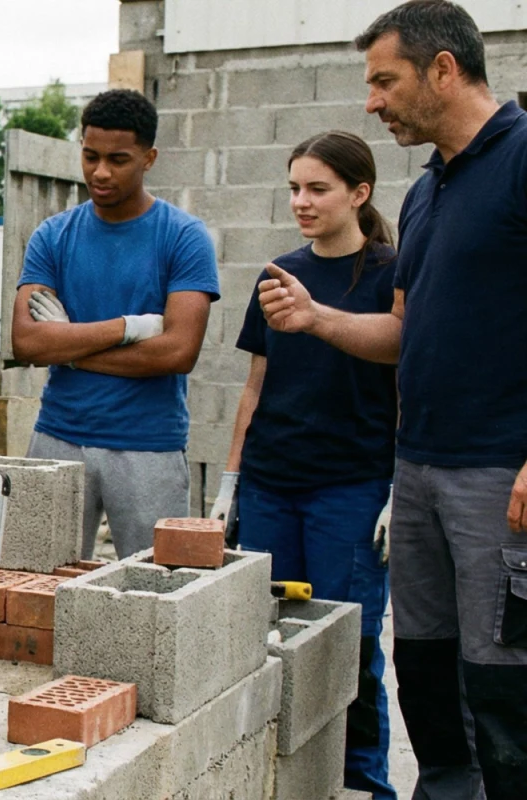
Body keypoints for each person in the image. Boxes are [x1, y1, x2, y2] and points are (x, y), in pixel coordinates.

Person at [261, 3, 527, 795]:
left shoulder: (522, 159)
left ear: (443, 69)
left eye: (385, 80)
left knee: (504, 682)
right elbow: (404, 333)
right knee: (426, 670)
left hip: (499, 475)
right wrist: (317, 319)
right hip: (417, 471)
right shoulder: (427, 190)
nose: (371, 101)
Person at [213, 131, 398, 799]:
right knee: (269, 640)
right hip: (271, 485)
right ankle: (283, 781)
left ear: (359, 193)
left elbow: (409, 382)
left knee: (349, 648)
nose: (302, 201)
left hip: (350, 489)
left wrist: (399, 484)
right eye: (294, 188)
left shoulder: (390, 275)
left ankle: (364, 785)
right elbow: (256, 384)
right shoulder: (277, 274)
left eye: (318, 188)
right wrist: (231, 482)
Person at [9, 89, 219, 561]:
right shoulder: (52, 235)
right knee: (39, 583)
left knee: (155, 588)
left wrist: (70, 347)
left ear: (149, 158)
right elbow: (28, 342)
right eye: (91, 156)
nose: (100, 172)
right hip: (58, 438)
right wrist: (130, 327)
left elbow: (177, 352)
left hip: (148, 447)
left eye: (118, 160)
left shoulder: (183, 237)